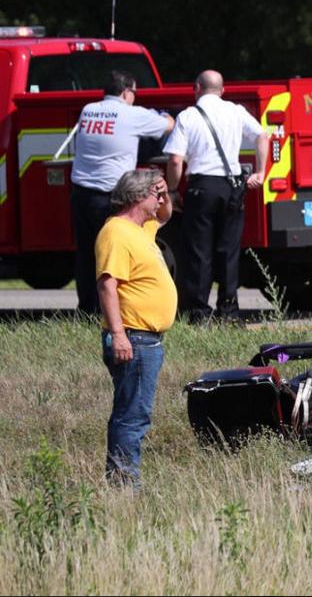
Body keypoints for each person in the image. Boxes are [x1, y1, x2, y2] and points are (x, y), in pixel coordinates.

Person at [163, 70, 269, 324]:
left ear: (196, 88)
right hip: (233, 187)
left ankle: (199, 312)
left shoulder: (188, 116)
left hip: (202, 187)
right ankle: (229, 312)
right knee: (228, 251)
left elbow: (176, 160)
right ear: (223, 90)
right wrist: (261, 172)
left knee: (199, 251)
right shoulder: (236, 111)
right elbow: (262, 136)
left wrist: (172, 190)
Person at [96, 168, 176, 488]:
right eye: (157, 195)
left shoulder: (141, 229)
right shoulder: (116, 232)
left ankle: (123, 480)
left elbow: (166, 215)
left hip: (145, 339)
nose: (161, 201)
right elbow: (107, 285)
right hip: (133, 338)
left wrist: (165, 192)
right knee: (131, 417)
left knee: (133, 413)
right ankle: (124, 485)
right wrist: (118, 335)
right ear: (139, 196)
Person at [70, 71, 173, 314]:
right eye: (134, 93)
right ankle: (111, 311)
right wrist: (162, 114)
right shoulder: (132, 114)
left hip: (81, 193)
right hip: (110, 195)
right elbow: (169, 125)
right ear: (126, 92)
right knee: (112, 255)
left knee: (86, 254)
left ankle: (87, 310)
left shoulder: (88, 110)